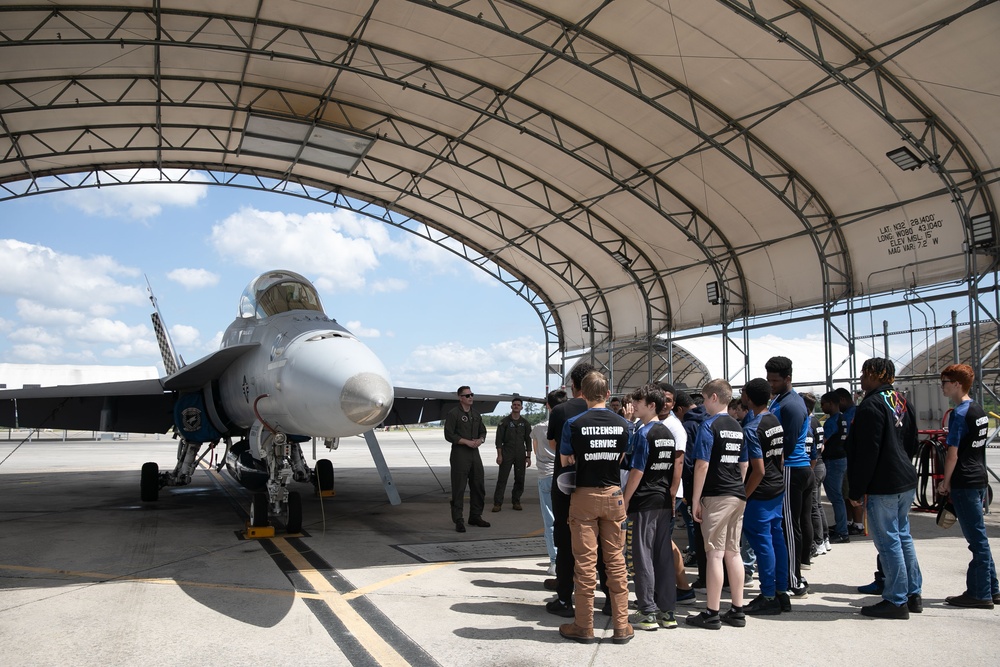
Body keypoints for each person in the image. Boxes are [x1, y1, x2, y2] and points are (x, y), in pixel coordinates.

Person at [557, 371, 633, 645]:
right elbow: (625, 459)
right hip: (614, 494)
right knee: (616, 561)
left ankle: (584, 625)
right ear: (608, 393)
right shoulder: (624, 424)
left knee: (586, 564)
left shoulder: (574, 423)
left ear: (584, 394)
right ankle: (622, 625)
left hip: (584, 495)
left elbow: (566, 460)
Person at [846, 358, 922, 619]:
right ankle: (913, 593)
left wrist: (856, 489)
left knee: (888, 542)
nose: (861, 379)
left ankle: (895, 599)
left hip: (884, 483)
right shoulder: (902, 401)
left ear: (876, 375)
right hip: (904, 479)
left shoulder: (871, 405)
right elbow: (913, 440)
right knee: (903, 537)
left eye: (864, 374)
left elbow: (868, 452)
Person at [687, 379, 749, 630]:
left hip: (716, 494)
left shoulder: (708, 426)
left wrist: (695, 499)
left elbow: (701, 465)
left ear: (713, 397)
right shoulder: (737, 426)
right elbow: (744, 464)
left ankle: (712, 611)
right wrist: (737, 487)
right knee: (733, 553)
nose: (703, 404)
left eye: (703, 399)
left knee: (714, 553)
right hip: (737, 494)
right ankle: (737, 609)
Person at [937, 363, 999, 609]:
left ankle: (979, 593)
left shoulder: (959, 414)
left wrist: (946, 482)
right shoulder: (978, 410)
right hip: (978, 477)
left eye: (945, 382)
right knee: (980, 538)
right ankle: (992, 589)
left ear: (957, 384)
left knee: (977, 541)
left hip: (964, 480)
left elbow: (953, 454)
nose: (942, 386)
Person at [624, 384, 684, 631]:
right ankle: (667, 611)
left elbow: (637, 471)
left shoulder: (644, 433)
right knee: (662, 556)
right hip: (661, 500)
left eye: (639, 401)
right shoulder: (667, 433)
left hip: (644, 502)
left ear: (651, 406)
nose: (634, 405)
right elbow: (673, 469)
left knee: (642, 556)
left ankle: (647, 611)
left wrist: (625, 500)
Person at [545, 362, 598, 617]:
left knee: (565, 540)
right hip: (598, 486)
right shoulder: (605, 413)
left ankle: (565, 598)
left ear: (573, 385)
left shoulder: (560, 411)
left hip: (565, 485)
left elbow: (555, 445)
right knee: (599, 542)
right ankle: (607, 599)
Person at [765, 356, 814, 597]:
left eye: (775, 380)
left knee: (789, 525)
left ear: (788, 379)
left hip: (792, 469)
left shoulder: (792, 405)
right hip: (790, 470)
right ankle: (789, 573)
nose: (770, 384)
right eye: (768, 379)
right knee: (787, 524)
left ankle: (794, 579)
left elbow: (788, 444)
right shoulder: (779, 401)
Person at [740, 378, 789, 615]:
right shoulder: (774, 421)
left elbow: (757, 469)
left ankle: (768, 595)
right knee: (776, 540)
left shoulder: (752, 428)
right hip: (776, 488)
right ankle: (781, 591)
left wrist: (743, 496)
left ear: (748, 397)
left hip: (759, 493)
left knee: (763, 544)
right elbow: (779, 457)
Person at [444, 386, 491, 533]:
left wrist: (481, 439)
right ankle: (459, 519)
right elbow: (448, 434)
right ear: (460, 398)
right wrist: (465, 441)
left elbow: (483, 430)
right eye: (467, 395)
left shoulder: (476, 414)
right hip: (460, 453)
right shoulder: (453, 414)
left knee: (478, 485)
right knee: (459, 488)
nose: (471, 397)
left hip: (474, 454)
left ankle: (475, 516)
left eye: (472, 394)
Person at [675, 390, 710, 588]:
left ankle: (704, 577)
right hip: (715, 485)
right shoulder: (711, 420)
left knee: (698, 530)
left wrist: (688, 491)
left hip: (695, 486)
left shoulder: (687, 426)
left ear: (680, 409)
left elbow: (688, 462)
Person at [534, 390, 567, 575]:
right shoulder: (570, 425)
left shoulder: (539, 428)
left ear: (548, 406)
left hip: (546, 475)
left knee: (550, 521)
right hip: (564, 475)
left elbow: (536, 448)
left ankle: (554, 561)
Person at [820, 390, 850, 543]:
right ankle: (841, 527)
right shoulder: (843, 418)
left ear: (831, 404)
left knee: (836, 497)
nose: (821, 407)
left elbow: (822, 442)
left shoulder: (832, 422)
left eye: (823, 404)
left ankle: (842, 531)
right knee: (838, 497)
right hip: (841, 459)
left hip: (833, 461)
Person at [802, 392, 829, 559]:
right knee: (817, 505)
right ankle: (824, 538)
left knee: (812, 506)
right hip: (819, 462)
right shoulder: (817, 421)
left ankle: (818, 541)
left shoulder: (808, 422)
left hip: (814, 464)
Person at [493, 398, 532, 512]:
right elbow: (499, 441)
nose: (516, 406)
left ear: (521, 408)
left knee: (520, 478)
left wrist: (528, 456)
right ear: (511, 407)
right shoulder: (504, 422)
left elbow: (528, 441)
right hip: (507, 452)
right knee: (502, 479)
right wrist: (499, 455)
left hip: (520, 453)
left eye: (518, 405)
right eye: (514, 405)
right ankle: (497, 503)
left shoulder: (525, 423)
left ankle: (516, 501)